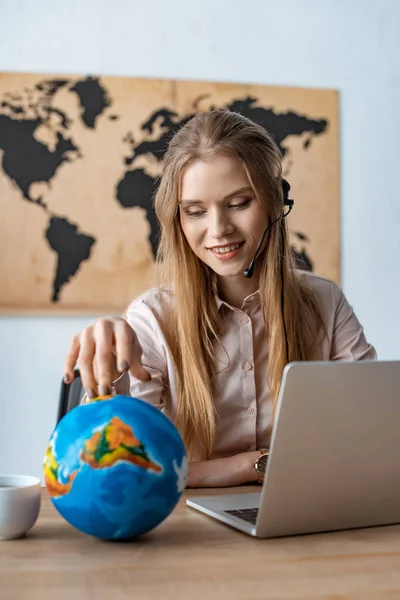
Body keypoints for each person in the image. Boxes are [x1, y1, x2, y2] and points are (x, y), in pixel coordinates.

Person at [63, 110, 376, 488]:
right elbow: (124, 469)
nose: (218, 230)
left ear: (275, 201)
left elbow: (369, 437)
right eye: (195, 211)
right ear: (178, 219)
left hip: (304, 511)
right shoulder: (152, 318)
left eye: (239, 203)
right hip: (189, 529)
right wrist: (251, 466)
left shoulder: (326, 302)